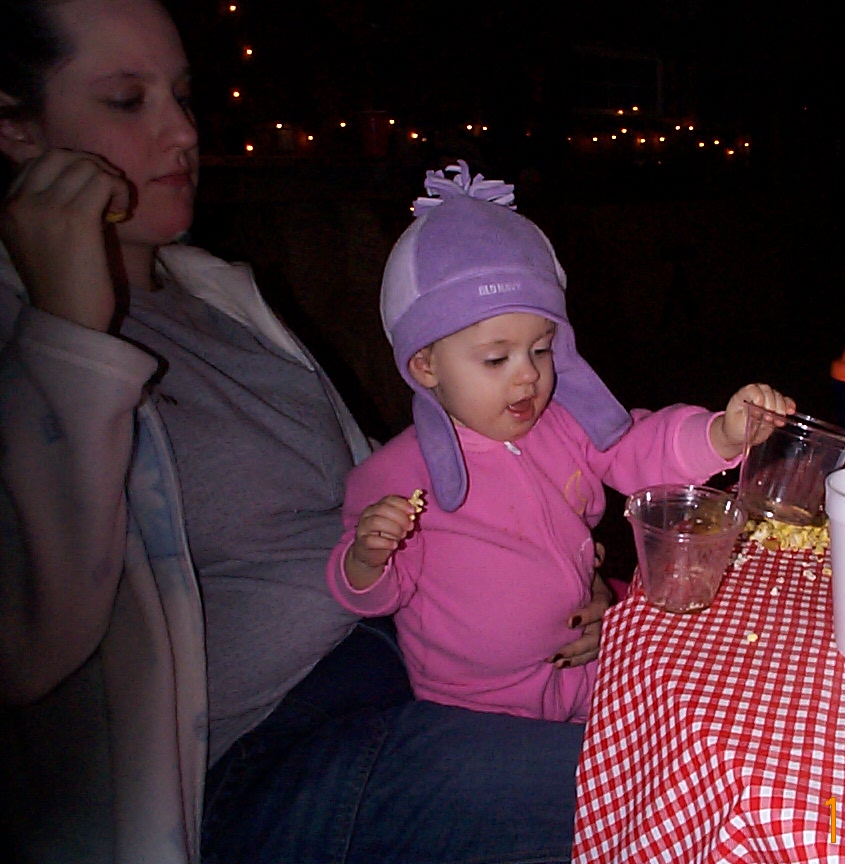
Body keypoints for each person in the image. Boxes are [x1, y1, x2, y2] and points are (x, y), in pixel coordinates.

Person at [0, 1, 610, 862]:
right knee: (645, 785)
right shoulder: (26, 338)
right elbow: (26, 653)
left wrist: (553, 589)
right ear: (17, 128)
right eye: (127, 100)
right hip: (255, 757)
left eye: (182, 94)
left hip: (415, 663)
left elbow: (397, 502)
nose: (183, 133)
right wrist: (68, 333)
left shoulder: (219, 298)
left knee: (679, 702)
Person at [326, 162, 795, 723]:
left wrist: (721, 433)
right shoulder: (400, 474)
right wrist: (367, 557)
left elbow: (639, 447)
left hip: (582, 671)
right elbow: (370, 597)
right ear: (425, 364)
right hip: (476, 710)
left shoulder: (566, 423)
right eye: (496, 359)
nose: (528, 375)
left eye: (541, 349)